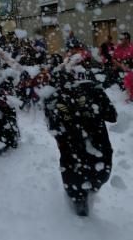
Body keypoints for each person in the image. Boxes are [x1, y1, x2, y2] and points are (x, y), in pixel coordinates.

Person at [44, 59, 117, 217]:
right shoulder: (91, 88)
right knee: (93, 180)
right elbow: (112, 115)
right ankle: (82, 202)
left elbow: (53, 128)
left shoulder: (51, 97)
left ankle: (80, 199)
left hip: (75, 153)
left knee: (80, 189)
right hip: (95, 151)